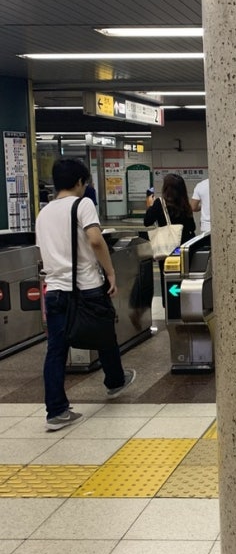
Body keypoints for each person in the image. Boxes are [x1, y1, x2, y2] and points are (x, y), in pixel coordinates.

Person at [36, 158, 136, 431]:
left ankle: (56, 411)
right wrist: (110, 272)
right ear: (80, 181)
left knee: (56, 350)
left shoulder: (43, 213)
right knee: (105, 334)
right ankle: (115, 382)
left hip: (55, 290)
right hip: (86, 286)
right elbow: (95, 240)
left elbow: (42, 251)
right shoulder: (82, 205)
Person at [145, 173, 196, 305]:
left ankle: (170, 306)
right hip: (183, 248)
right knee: (182, 277)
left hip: (167, 249)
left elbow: (147, 221)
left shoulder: (159, 203)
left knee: (168, 277)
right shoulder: (185, 204)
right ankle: (184, 304)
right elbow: (192, 227)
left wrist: (150, 206)